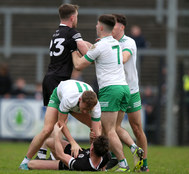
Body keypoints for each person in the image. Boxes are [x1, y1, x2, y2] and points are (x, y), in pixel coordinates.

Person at [72, 14, 133, 172]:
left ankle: (122, 163)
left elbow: (79, 65)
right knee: (112, 129)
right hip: (124, 88)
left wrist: (73, 49)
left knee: (108, 130)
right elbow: (99, 56)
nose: (95, 26)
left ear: (100, 27)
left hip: (110, 89)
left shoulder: (99, 46)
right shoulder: (116, 43)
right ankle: (123, 154)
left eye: (96, 24)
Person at [36, 3, 89, 159]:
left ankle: (43, 152)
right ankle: (52, 152)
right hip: (59, 81)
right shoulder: (72, 32)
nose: (77, 19)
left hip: (49, 77)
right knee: (57, 120)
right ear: (72, 17)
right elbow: (85, 52)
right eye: (77, 16)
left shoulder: (56, 33)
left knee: (53, 121)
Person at [19, 80, 102, 170]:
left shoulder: (95, 105)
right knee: (47, 129)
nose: (85, 112)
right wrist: (73, 143)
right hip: (59, 98)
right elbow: (61, 123)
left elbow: (97, 132)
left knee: (98, 128)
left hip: (74, 102)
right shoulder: (69, 99)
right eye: (85, 108)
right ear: (80, 100)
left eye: (89, 109)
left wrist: (97, 154)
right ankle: (25, 162)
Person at [111, 14, 149, 172]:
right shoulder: (108, 42)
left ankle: (143, 164)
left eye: (113, 25)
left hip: (131, 91)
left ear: (122, 27)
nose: (111, 28)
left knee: (137, 128)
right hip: (117, 90)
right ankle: (116, 159)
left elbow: (124, 58)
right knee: (112, 127)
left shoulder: (129, 42)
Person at [27, 122, 110, 171]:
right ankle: (48, 156)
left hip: (66, 162)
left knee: (31, 164)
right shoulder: (106, 154)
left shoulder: (81, 165)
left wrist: (56, 135)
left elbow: (60, 155)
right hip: (77, 151)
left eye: (92, 143)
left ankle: (49, 158)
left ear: (92, 148)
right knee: (49, 142)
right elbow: (103, 162)